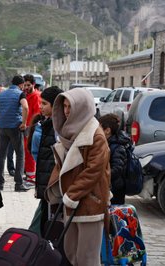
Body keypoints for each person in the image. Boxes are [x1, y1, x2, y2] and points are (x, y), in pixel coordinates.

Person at [45, 87, 111, 266]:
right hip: (71, 201)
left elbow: (93, 171)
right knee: (71, 251)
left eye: (70, 107)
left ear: (82, 107)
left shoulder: (94, 135)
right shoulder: (71, 132)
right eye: (64, 106)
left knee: (87, 257)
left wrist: (71, 195)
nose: (66, 111)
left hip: (90, 202)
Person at [27, 86, 63, 235]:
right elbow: (35, 151)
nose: (40, 106)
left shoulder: (59, 127)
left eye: (44, 104)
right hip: (45, 177)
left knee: (46, 218)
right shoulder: (42, 124)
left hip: (52, 179)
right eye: (40, 103)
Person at [0, 75, 30, 192]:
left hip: (2, 128)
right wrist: (24, 123)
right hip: (15, 127)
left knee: (1, 155)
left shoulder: (1, 94)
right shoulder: (20, 94)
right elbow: (25, 107)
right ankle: (18, 184)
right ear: (21, 85)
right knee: (20, 155)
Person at [98, 113, 130, 205]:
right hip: (110, 187)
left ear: (107, 130)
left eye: (99, 128)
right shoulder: (108, 143)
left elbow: (117, 169)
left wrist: (101, 175)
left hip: (115, 190)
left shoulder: (118, 147)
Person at [23, 74, 41, 183]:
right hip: (25, 127)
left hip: (31, 127)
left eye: (28, 85)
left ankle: (31, 176)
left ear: (33, 84)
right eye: (24, 85)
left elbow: (37, 113)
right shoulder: (25, 95)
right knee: (26, 151)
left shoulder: (36, 96)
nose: (26, 87)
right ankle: (29, 174)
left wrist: (31, 127)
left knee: (29, 151)